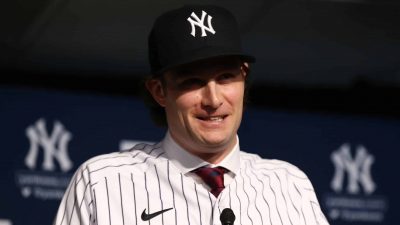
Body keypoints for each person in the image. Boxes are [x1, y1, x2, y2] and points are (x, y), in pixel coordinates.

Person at [54, 4, 329, 225]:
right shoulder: (102, 182)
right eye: (192, 82)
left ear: (244, 76)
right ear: (159, 90)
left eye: (225, 77)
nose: (213, 100)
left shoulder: (289, 184)